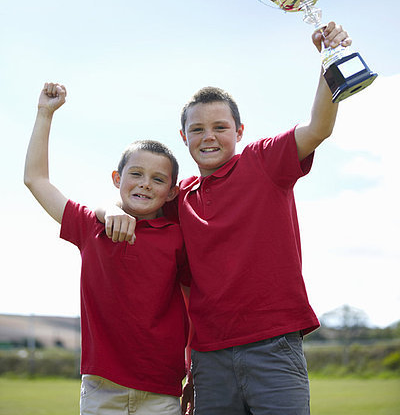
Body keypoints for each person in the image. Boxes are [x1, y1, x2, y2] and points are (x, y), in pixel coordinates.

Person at [100, 22, 352, 415]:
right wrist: (112, 208)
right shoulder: (178, 198)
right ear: (184, 138)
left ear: (239, 131)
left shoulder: (264, 161)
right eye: (197, 129)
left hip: (273, 346)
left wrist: (328, 60)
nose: (209, 137)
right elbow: (134, 202)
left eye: (220, 127)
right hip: (209, 358)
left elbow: (319, 126)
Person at [24, 82, 190, 415]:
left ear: (172, 193)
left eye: (158, 179)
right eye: (137, 174)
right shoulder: (91, 227)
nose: (145, 183)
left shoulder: (179, 238)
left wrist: (197, 373)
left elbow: (195, 305)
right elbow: (36, 179)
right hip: (102, 390)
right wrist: (45, 113)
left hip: (162, 390)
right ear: (117, 178)